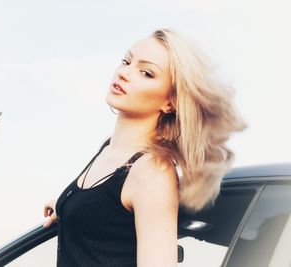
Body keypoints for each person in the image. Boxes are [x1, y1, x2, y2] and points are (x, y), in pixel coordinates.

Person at [42, 28, 247, 267]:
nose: (124, 73)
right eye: (126, 61)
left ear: (170, 102)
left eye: (146, 73)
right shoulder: (109, 150)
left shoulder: (152, 172)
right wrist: (67, 205)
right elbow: (105, 214)